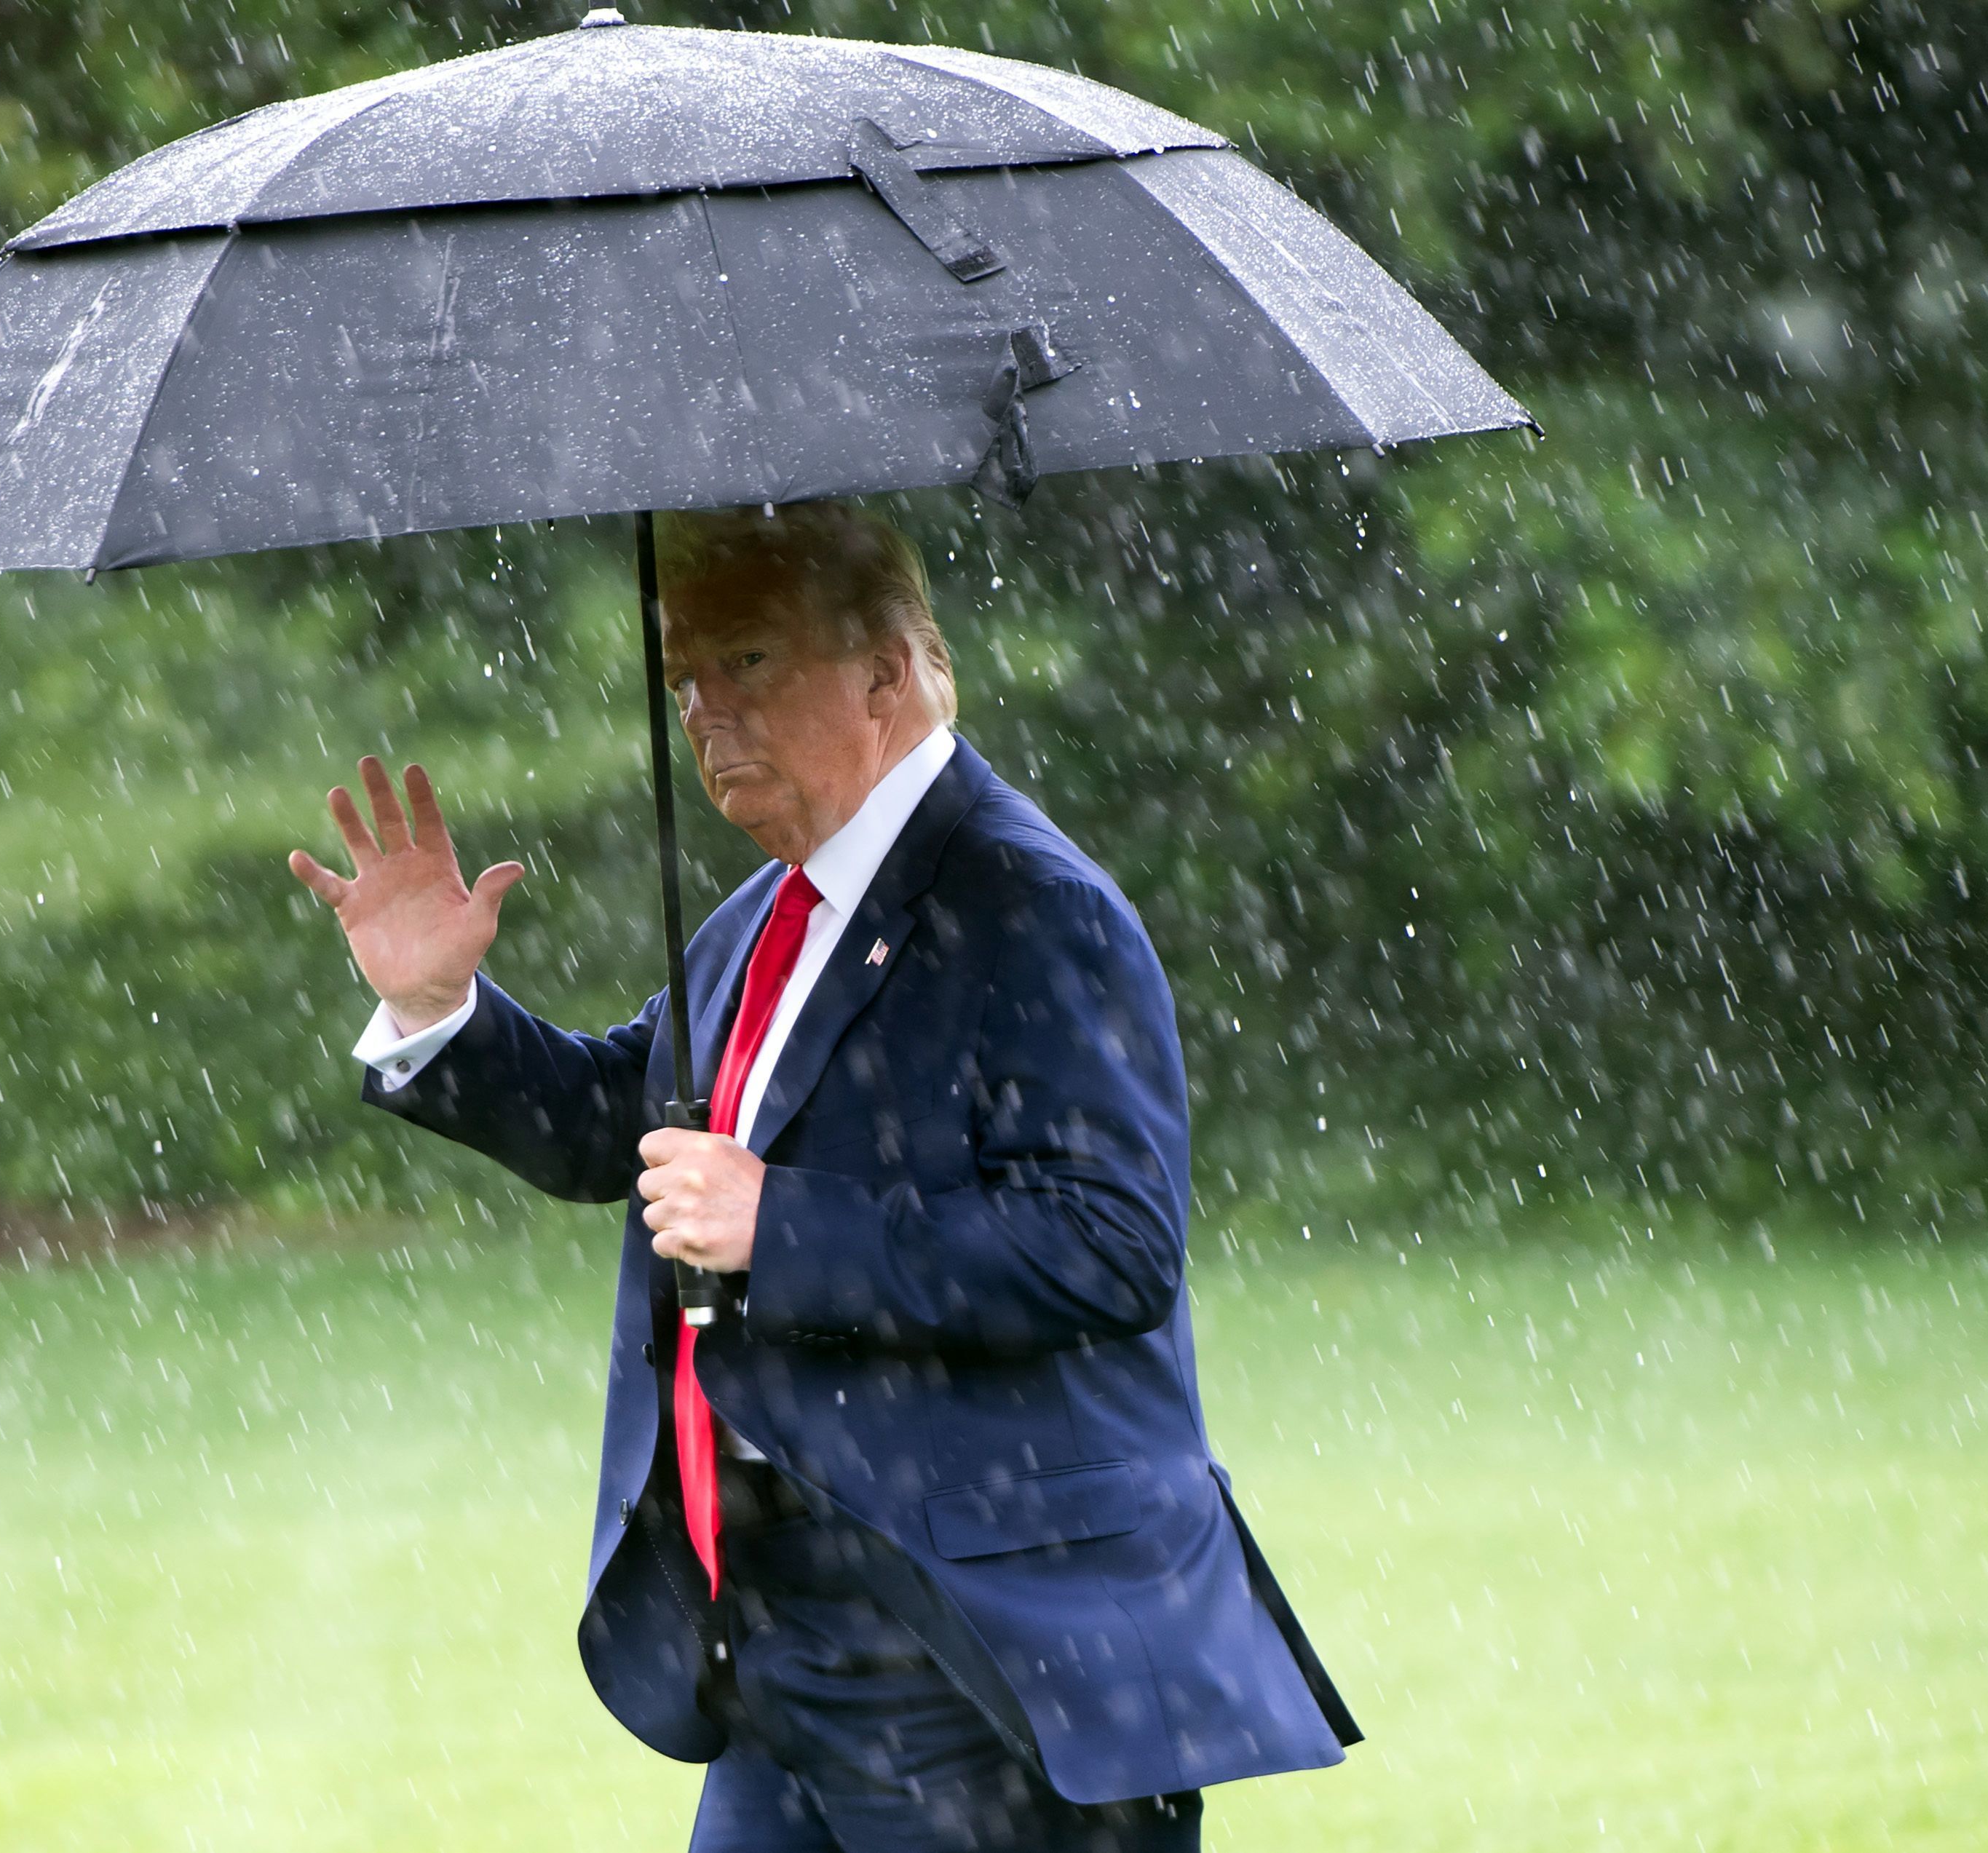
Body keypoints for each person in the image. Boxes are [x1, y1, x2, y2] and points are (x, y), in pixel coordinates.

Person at [288, 502, 1357, 1852]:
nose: (703, 711)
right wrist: (439, 1004)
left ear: (884, 673)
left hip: (983, 1656)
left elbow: (1108, 1244)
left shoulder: (1032, 905)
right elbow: (618, 1123)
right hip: (778, 1639)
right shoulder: (764, 916)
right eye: (684, 678)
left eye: (745, 661)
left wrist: (777, 1222)